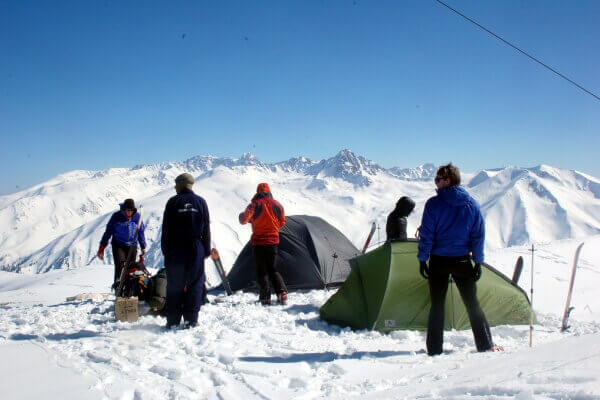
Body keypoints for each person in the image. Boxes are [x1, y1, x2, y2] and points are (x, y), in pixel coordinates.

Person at [417, 163, 493, 356]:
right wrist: (478, 261)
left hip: (438, 262)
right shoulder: (472, 205)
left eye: (437, 179)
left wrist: (422, 258)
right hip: (463, 262)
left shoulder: (433, 205)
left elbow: (427, 235)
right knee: (472, 305)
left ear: (447, 180)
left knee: (437, 307)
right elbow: (478, 236)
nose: (435, 183)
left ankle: (434, 350)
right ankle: (485, 346)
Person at [161, 173, 211, 329]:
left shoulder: (173, 202)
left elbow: (166, 229)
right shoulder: (201, 202)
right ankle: (191, 319)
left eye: (176, 184)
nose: (175, 187)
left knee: (175, 284)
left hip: (175, 248)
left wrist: (166, 250)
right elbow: (206, 228)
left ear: (181, 185)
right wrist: (206, 250)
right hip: (196, 248)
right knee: (195, 283)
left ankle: (173, 320)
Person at [239, 183, 287, 305]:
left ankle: (265, 297)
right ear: (269, 191)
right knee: (272, 268)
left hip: (259, 241)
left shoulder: (255, 204)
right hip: (273, 241)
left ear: (258, 192)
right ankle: (281, 292)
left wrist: (245, 217)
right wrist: (273, 227)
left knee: (262, 270)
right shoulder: (278, 205)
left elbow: (244, 220)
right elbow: (282, 222)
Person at [97, 198, 146, 289]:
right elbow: (108, 232)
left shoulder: (137, 217)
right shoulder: (116, 217)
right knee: (120, 265)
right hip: (118, 244)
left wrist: (143, 246)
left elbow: (140, 231)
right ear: (124, 209)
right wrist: (102, 247)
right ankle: (118, 287)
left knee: (131, 267)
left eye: (131, 210)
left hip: (132, 245)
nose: (129, 213)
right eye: (127, 210)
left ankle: (128, 289)